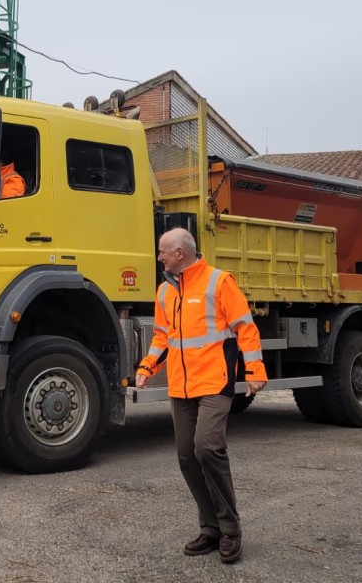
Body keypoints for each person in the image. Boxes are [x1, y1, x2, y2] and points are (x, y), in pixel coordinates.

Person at [135, 227, 267, 565]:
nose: (160, 257)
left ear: (180, 253)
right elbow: (162, 335)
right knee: (186, 457)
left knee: (207, 447)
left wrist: (254, 370)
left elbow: (245, 327)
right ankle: (211, 528)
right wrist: (148, 366)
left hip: (214, 382)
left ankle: (230, 529)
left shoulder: (219, 282)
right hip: (181, 386)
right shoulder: (165, 290)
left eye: (163, 251)